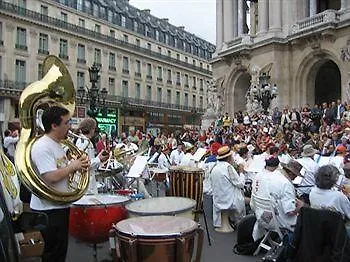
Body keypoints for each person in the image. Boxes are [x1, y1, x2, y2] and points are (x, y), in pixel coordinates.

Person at [30, 106, 89, 262]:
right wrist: (73, 166)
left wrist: (78, 165)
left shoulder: (56, 144)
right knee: (53, 255)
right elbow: (50, 177)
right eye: (66, 123)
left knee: (60, 253)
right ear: (54, 126)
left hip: (58, 207)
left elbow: (62, 170)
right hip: (49, 210)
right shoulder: (43, 146)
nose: (70, 127)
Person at [250, 157, 303, 241]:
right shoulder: (286, 183)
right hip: (277, 222)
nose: (295, 178)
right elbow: (290, 211)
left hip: (262, 217)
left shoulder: (265, 175)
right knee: (306, 220)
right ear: (290, 173)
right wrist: (300, 206)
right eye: (295, 175)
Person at [210, 145, 245, 228]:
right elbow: (240, 184)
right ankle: (240, 222)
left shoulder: (215, 167)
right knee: (244, 196)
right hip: (228, 199)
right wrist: (241, 173)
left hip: (218, 199)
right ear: (229, 157)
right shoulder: (228, 167)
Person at [75, 118, 109, 194]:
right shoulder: (84, 142)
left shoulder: (83, 140)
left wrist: (98, 157)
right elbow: (84, 164)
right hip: (86, 185)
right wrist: (99, 159)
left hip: (88, 182)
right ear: (91, 129)